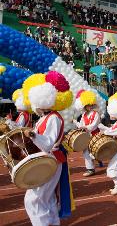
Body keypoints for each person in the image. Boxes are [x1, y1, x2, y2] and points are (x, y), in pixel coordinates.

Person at [21, 71, 74, 225]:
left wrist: (33, 135)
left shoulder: (54, 118)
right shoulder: (44, 118)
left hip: (51, 160)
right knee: (48, 197)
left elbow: (48, 143)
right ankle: (53, 222)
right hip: (46, 160)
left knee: (34, 199)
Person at [73, 90, 101, 177]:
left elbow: (94, 125)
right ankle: (90, 169)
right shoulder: (84, 114)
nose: (90, 106)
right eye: (88, 105)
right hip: (86, 137)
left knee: (94, 152)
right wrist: (74, 122)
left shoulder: (96, 114)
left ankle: (98, 159)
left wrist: (86, 128)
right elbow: (81, 125)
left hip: (94, 136)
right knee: (86, 152)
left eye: (91, 104)